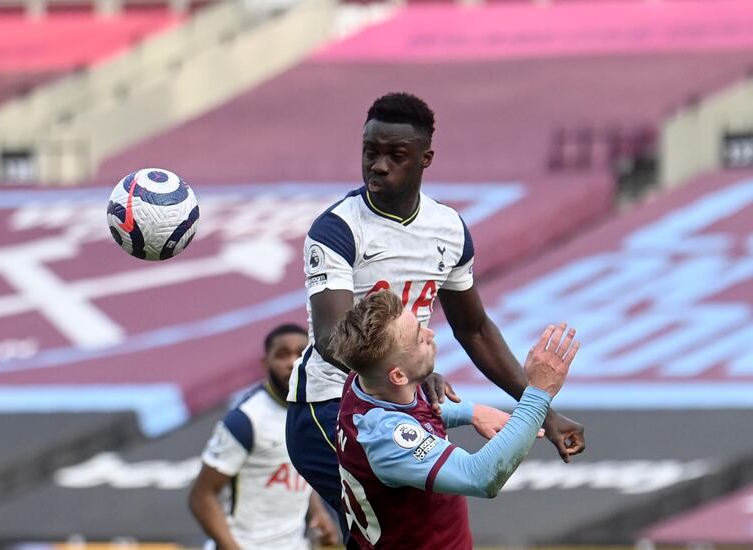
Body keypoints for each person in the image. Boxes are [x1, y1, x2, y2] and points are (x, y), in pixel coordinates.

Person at [285, 91, 586, 527]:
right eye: (370, 152)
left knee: (418, 529)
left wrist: (548, 413)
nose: (378, 165)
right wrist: (407, 365)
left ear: (426, 158)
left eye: (396, 155)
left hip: (398, 395)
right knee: (412, 529)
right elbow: (334, 339)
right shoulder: (338, 230)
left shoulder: (448, 230)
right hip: (331, 406)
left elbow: (475, 329)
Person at [332, 290, 579, 548]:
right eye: (419, 339)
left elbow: (413, 408)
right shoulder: (386, 437)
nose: (431, 335)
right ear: (398, 376)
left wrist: (469, 412)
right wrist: (539, 393)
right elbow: (481, 477)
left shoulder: (365, 381)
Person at [189, 323, 339, 550]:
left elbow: (296, 468)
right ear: (265, 363)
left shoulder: (312, 410)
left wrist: (318, 512)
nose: (292, 362)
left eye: (300, 353)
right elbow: (202, 497)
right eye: (282, 355)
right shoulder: (245, 420)